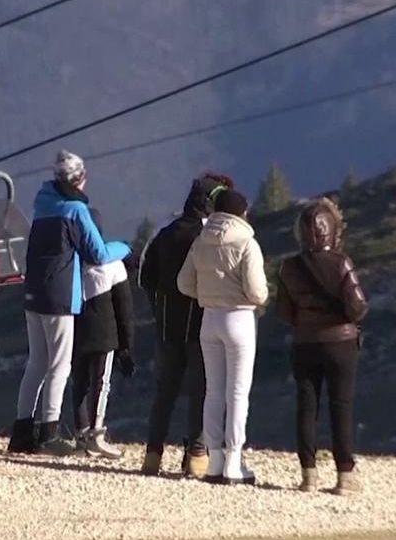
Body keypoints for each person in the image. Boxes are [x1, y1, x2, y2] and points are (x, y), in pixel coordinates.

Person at [8, 150, 131, 456]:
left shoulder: (42, 205)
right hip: (59, 295)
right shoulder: (75, 211)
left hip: (33, 291)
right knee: (59, 366)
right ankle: (49, 434)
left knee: (36, 362)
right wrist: (126, 247)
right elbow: (98, 254)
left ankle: (22, 433)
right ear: (79, 180)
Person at [137, 172, 234, 477]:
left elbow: (144, 279)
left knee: (164, 392)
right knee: (201, 390)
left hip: (167, 326)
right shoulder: (210, 238)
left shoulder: (164, 234)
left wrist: (160, 309)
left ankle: (152, 455)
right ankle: (196, 455)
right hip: (201, 326)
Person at [276, 197, 369, 495]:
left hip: (304, 343)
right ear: (331, 231)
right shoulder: (341, 262)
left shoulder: (289, 267)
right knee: (340, 406)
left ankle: (309, 476)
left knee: (307, 407)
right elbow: (357, 307)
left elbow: (283, 313)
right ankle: (344, 476)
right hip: (341, 343)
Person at [177, 188, 267, 485]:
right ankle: (234, 461)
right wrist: (259, 299)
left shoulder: (200, 242)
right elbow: (256, 291)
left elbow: (184, 283)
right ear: (241, 213)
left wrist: (207, 294)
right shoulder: (246, 243)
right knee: (237, 392)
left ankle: (214, 461)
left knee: (213, 391)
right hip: (239, 318)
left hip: (209, 319)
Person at [71, 207, 137, 459]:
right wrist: (127, 348)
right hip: (104, 335)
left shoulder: (71, 263)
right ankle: (96, 434)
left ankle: (80, 436)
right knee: (101, 383)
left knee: (79, 383)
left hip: (76, 332)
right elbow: (125, 311)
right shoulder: (113, 264)